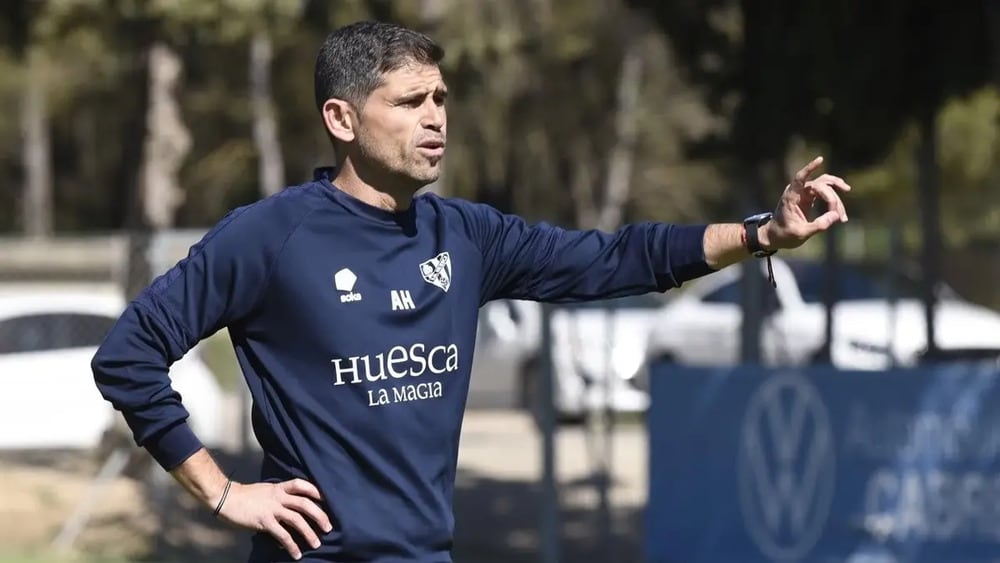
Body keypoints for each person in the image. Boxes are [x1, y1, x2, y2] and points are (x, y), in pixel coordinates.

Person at [91, 20, 851, 563]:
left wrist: (760, 234)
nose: (436, 120)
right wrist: (222, 492)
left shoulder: (466, 235)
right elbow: (129, 356)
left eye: (442, 100)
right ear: (341, 118)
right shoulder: (270, 237)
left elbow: (618, 258)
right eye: (411, 102)